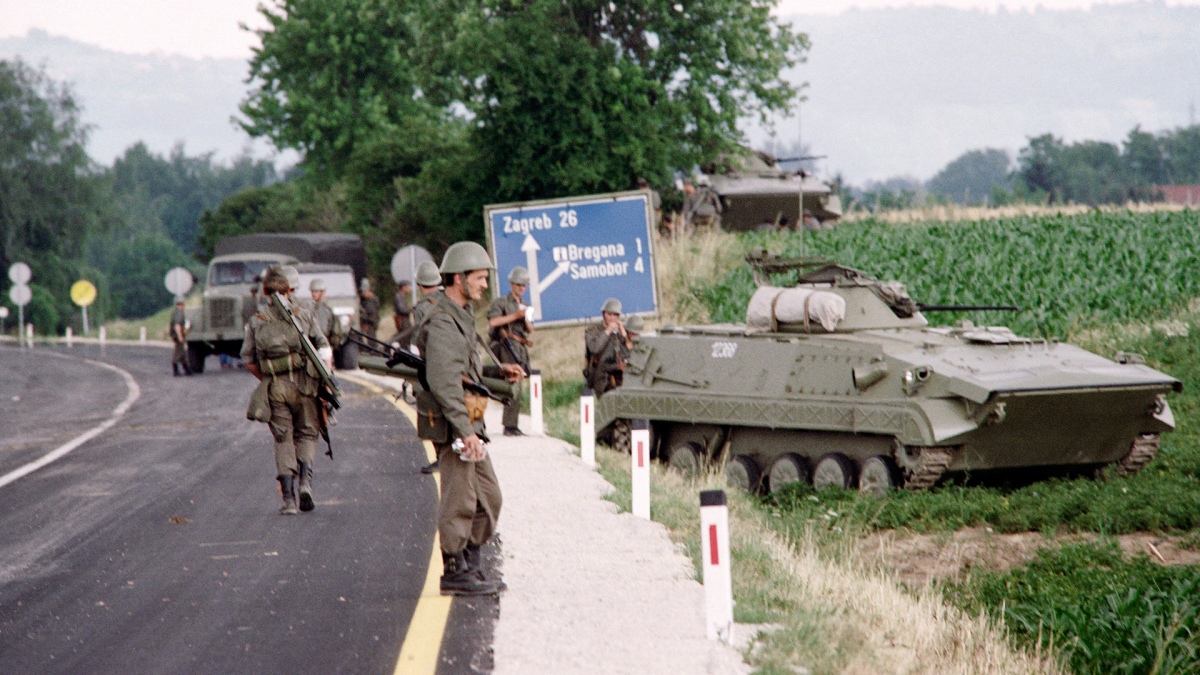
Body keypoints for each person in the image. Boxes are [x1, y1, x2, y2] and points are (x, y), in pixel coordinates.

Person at [413, 241, 522, 595]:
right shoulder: (444, 321)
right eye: (478, 278)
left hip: (469, 422)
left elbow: (463, 371)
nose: (484, 285)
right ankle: (454, 570)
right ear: (458, 278)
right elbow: (445, 383)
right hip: (456, 423)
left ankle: (472, 564)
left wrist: (497, 370)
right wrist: (465, 432)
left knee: (489, 497)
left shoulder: (461, 314)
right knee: (459, 498)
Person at [241, 265, 334, 515]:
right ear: (287, 289)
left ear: (264, 291)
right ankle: (305, 481)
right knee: (307, 434)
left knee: (283, 439)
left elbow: (248, 359)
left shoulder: (256, 321)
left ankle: (289, 500)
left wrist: (268, 377)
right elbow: (323, 346)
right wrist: (326, 377)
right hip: (305, 386)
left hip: (276, 388)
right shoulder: (304, 314)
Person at [487, 267, 534, 436]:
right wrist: (515, 315)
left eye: (524, 285)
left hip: (520, 347)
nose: (522, 288)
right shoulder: (501, 303)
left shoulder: (526, 306)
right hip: (506, 344)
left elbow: (530, 329)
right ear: (512, 284)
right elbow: (493, 322)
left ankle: (511, 423)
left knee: (517, 383)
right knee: (512, 382)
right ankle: (509, 425)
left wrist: (525, 318)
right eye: (519, 284)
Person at [584, 298, 633, 395]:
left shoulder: (620, 331)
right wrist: (608, 331)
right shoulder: (593, 330)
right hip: (601, 376)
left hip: (618, 375)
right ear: (603, 314)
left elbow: (629, 352)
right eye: (609, 314)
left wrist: (624, 335)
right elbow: (595, 349)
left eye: (615, 315)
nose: (612, 318)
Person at [310, 278, 347, 356]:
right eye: (312, 291)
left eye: (316, 292)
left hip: (321, 344)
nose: (313, 294)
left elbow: (322, 329)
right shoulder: (321, 306)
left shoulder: (322, 308)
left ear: (322, 293)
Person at [170, 297, 192, 376]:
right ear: (182, 304)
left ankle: (187, 370)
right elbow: (177, 325)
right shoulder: (179, 313)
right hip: (178, 335)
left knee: (182, 353)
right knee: (178, 353)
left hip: (176, 335)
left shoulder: (175, 312)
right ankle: (176, 370)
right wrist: (180, 336)